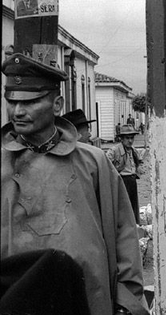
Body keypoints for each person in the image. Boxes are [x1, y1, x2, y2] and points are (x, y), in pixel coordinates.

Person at [1, 53, 148, 314]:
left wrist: (126, 301)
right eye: (11, 102)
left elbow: (124, 232)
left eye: (31, 101)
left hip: (90, 299)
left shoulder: (93, 163)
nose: (18, 111)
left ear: (57, 105)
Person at [106, 124, 142, 224]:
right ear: (121, 138)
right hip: (122, 180)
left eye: (132, 138)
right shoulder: (115, 150)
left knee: (133, 205)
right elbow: (105, 163)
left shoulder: (133, 151)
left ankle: (134, 224)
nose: (130, 141)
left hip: (132, 180)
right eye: (127, 138)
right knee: (123, 206)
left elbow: (137, 163)